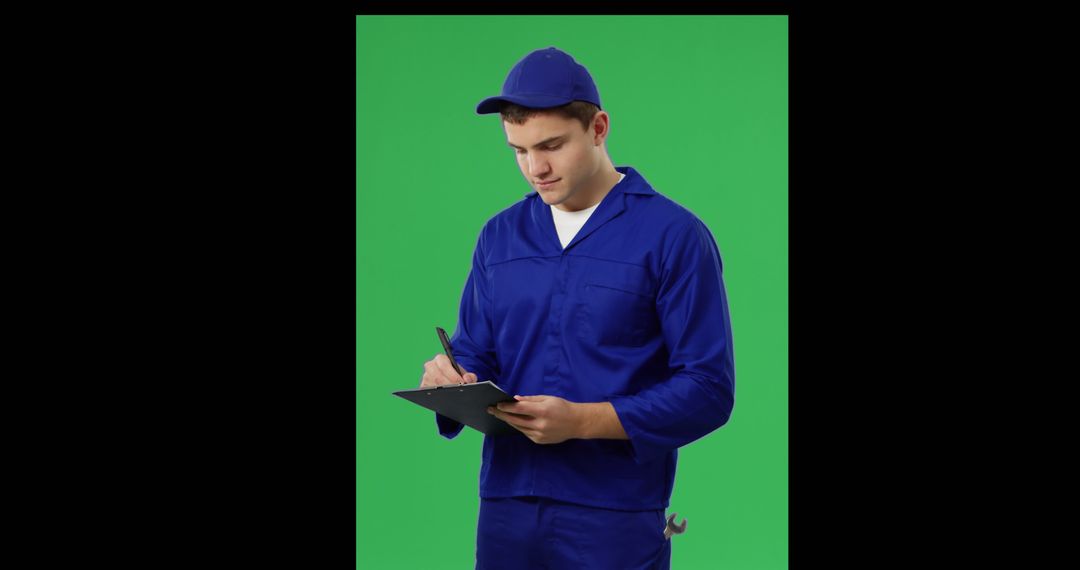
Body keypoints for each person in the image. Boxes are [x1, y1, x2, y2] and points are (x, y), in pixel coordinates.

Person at [418, 46, 735, 570]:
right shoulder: (500, 236)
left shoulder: (674, 237)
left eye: (551, 146)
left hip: (616, 512)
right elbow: (477, 352)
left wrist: (585, 421)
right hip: (507, 506)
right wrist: (451, 380)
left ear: (598, 128)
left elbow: (708, 388)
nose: (534, 168)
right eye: (518, 151)